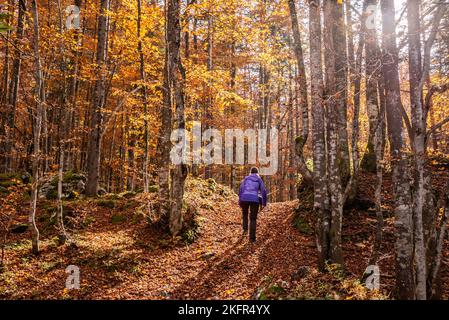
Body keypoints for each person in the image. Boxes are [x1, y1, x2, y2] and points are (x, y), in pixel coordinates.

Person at [238, 167, 267, 243]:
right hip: (254, 199)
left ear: (250, 172)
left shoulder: (246, 179)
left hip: (244, 198)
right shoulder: (259, 179)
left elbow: (241, 189)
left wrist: (240, 201)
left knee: (245, 213)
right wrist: (264, 203)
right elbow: (263, 190)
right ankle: (252, 239)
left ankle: (245, 229)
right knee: (253, 219)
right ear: (257, 173)